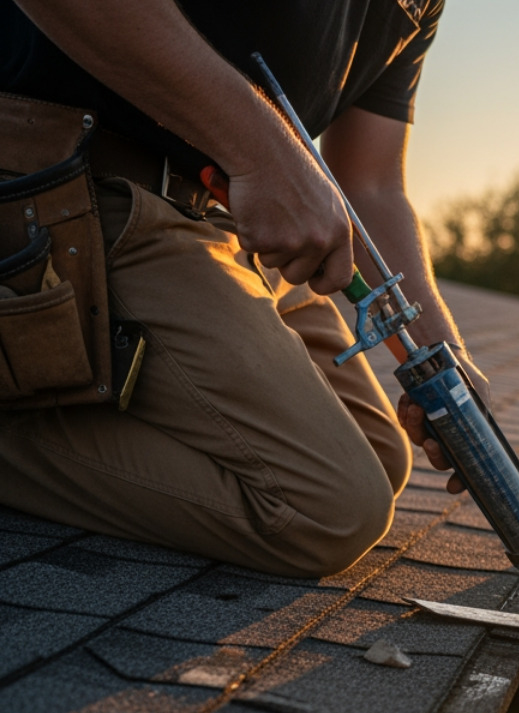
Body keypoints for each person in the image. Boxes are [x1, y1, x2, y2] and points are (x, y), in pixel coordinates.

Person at [0, 1, 475, 577]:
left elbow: (370, 184)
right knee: (326, 508)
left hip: (233, 222)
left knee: (377, 452)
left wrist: (444, 360)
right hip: (77, 179)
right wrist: (260, 151)